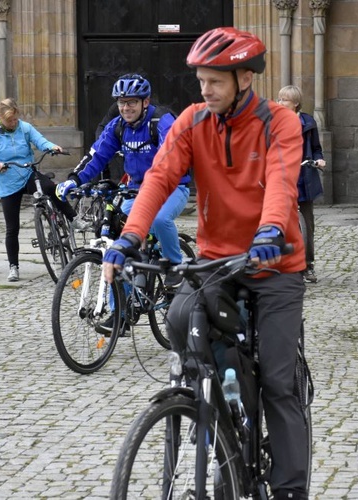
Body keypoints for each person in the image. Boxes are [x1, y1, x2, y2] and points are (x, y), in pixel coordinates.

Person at [101, 27, 310, 499]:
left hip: (274, 263)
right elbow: (158, 178)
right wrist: (130, 237)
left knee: (278, 382)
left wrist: (270, 231)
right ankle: (216, 414)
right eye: (201, 80)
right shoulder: (193, 121)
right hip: (217, 261)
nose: (204, 89)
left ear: (243, 78)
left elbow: (281, 180)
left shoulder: (280, 121)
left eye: (215, 80)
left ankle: (291, 488)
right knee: (179, 317)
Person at [55, 74, 191, 333]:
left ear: (145, 101)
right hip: (136, 190)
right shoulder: (118, 126)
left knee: (159, 219)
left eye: (131, 102)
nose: (125, 108)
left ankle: (174, 266)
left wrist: (154, 183)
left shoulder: (160, 121)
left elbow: (172, 156)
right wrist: (73, 180)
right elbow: (97, 155)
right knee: (117, 243)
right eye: (121, 102)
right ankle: (121, 312)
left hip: (173, 187)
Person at [0, 98, 79, 282]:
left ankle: (74, 219)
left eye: (15, 119)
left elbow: (39, 140)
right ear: (0, 118)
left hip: (27, 174)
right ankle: (14, 267)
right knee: (12, 227)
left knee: (52, 188)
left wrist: (51, 147)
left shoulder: (23, 128)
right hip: (7, 181)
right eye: (10, 120)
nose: (14, 123)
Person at [277, 85, 326, 283]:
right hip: (282, 176)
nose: (280, 103)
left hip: (304, 175)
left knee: (307, 224)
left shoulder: (308, 123)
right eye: (279, 99)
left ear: (295, 103)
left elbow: (316, 149)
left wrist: (319, 159)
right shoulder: (274, 122)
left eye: (284, 100)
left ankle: (308, 265)